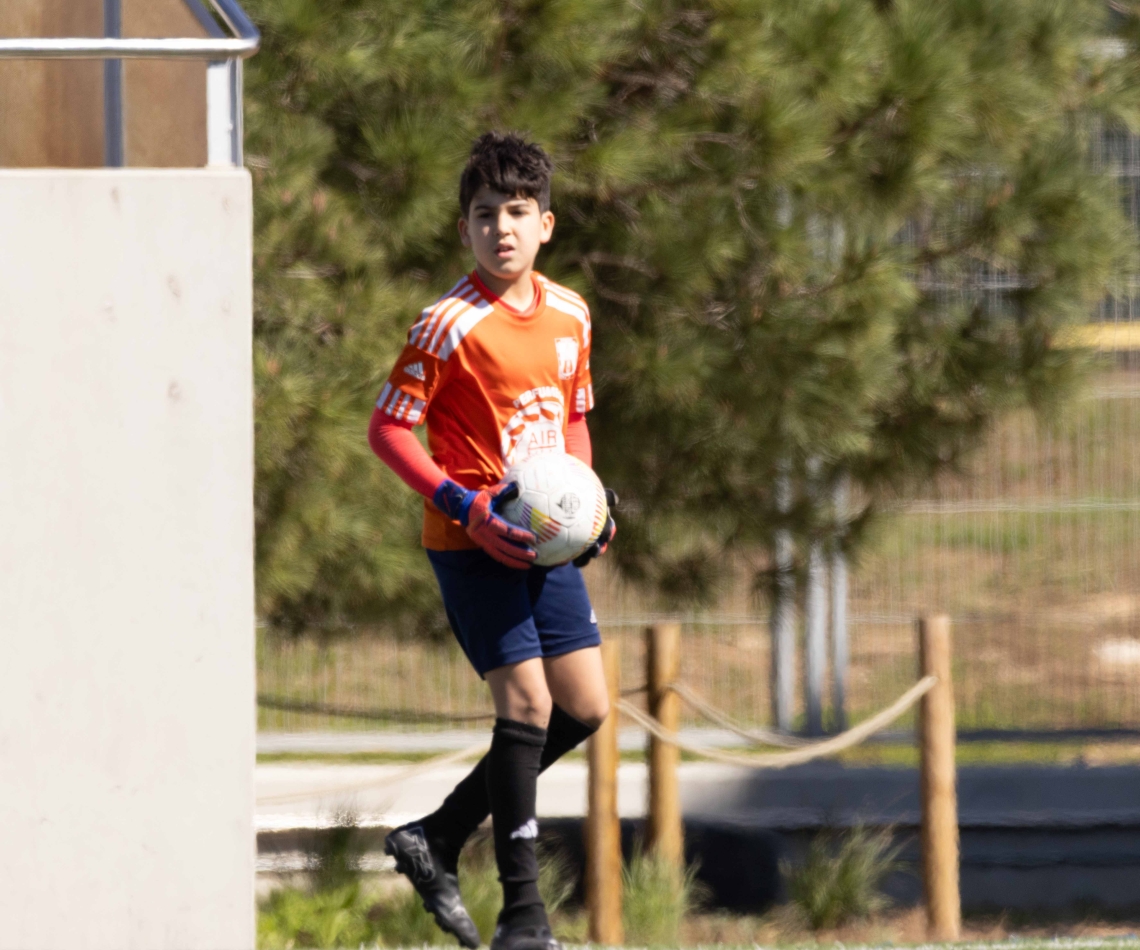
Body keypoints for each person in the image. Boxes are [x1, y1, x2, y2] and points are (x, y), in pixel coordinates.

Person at [368, 131, 616, 950]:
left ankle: (435, 836)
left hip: (544, 545)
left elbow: (572, 420)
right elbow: (389, 431)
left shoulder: (573, 312)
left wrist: (590, 509)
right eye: (484, 214)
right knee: (528, 704)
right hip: (471, 544)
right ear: (464, 228)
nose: (501, 228)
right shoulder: (446, 324)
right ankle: (525, 919)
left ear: (547, 224)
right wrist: (462, 504)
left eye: (517, 212)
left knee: (584, 708)